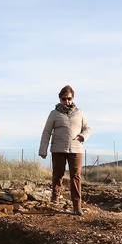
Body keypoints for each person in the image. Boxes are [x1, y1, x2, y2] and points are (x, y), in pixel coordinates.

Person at [38, 85, 91, 215]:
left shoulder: (80, 113)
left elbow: (88, 128)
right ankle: (55, 194)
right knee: (58, 173)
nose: (67, 101)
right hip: (58, 149)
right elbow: (46, 132)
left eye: (69, 98)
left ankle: (76, 205)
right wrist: (43, 150)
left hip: (76, 149)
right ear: (60, 99)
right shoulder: (54, 114)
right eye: (64, 99)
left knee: (76, 176)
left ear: (72, 98)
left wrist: (83, 136)